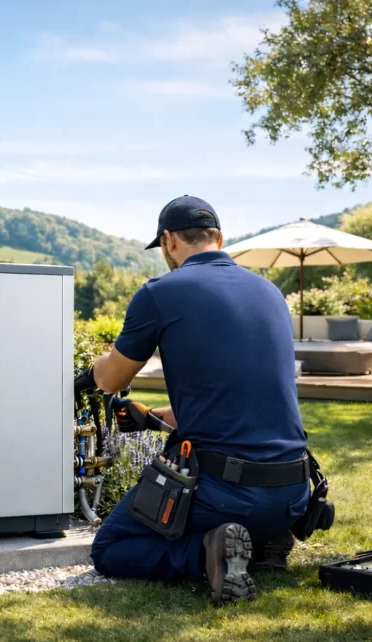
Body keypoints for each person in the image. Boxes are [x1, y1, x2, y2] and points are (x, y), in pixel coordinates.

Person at [74, 195, 311, 605]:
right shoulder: (270, 292)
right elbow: (235, 400)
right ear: (219, 237)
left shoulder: (162, 292)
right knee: (252, 502)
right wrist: (152, 417)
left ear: (168, 241)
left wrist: (86, 375)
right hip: (293, 491)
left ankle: (207, 553)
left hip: (225, 492)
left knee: (110, 548)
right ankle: (265, 540)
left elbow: (111, 379)